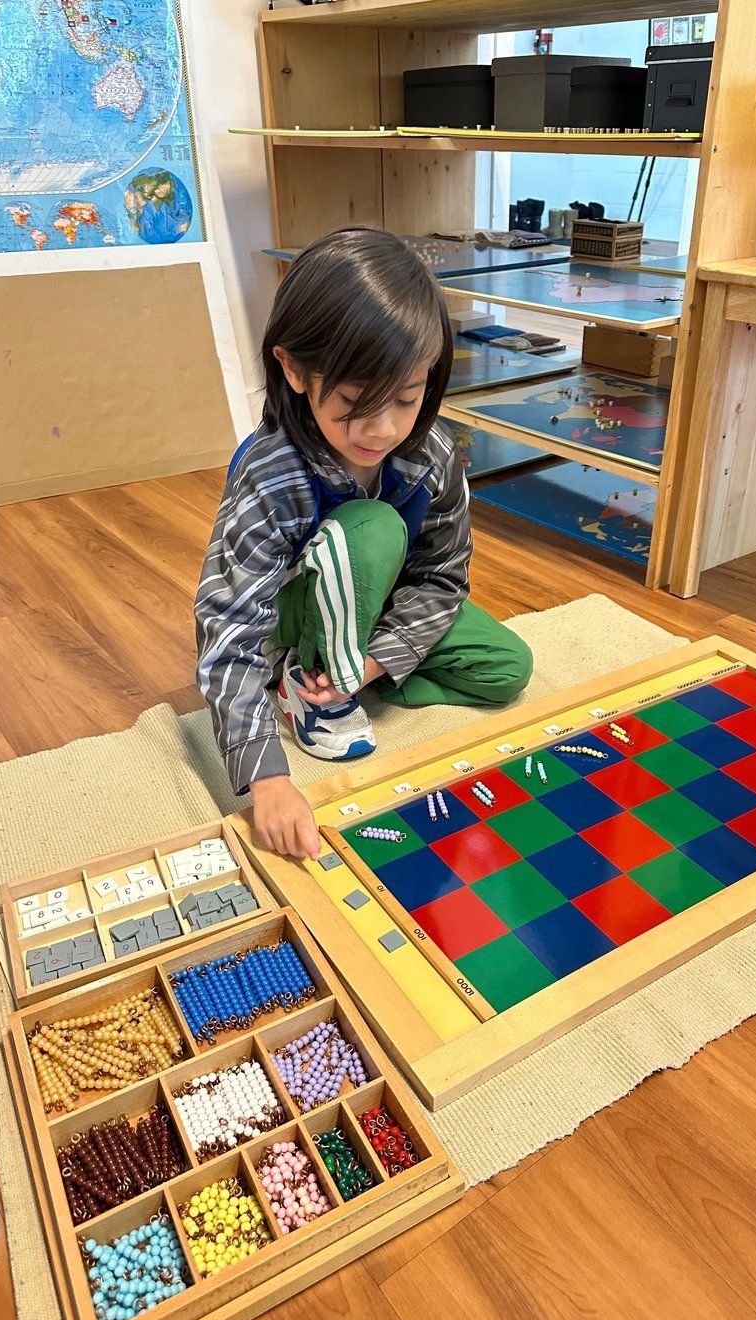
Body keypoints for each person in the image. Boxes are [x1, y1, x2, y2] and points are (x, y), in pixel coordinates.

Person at [196, 227, 533, 860]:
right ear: (293, 369)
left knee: (507, 667)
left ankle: (343, 676)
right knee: (372, 526)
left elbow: (442, 578)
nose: (382, 430)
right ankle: (306, 675)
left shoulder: (432, 452)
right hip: (292, 619)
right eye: (354, 403)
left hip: (374, 610)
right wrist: (265, 780)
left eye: (407, 400)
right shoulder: (271, 474)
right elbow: (227, 624)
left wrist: (376, 662)